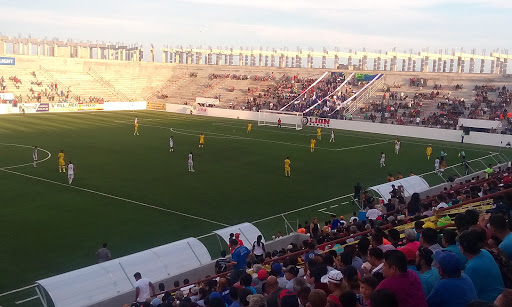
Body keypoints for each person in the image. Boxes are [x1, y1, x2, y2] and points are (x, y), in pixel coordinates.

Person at [459, 230, 504, 302]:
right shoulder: (485, 252)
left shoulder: (472, 267)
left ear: (461, 249)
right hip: (499, 298)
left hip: (490, 303)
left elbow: (469, 295)